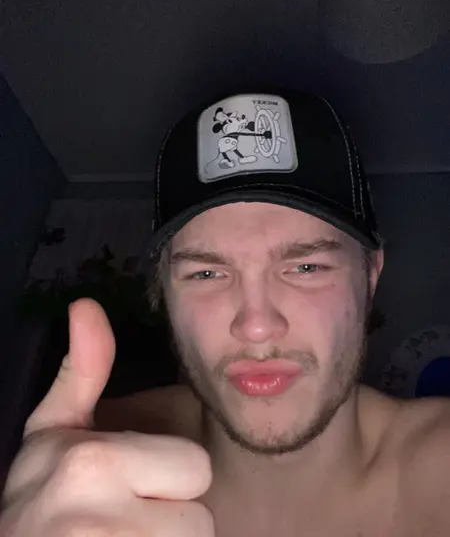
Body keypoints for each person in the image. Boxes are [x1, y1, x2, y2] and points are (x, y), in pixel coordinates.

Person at [1, 91, 450, 536]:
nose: (256, 326)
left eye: (306, 267)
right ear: (163, 294)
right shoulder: (81, 468)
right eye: (207, 273)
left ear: (370, 275)